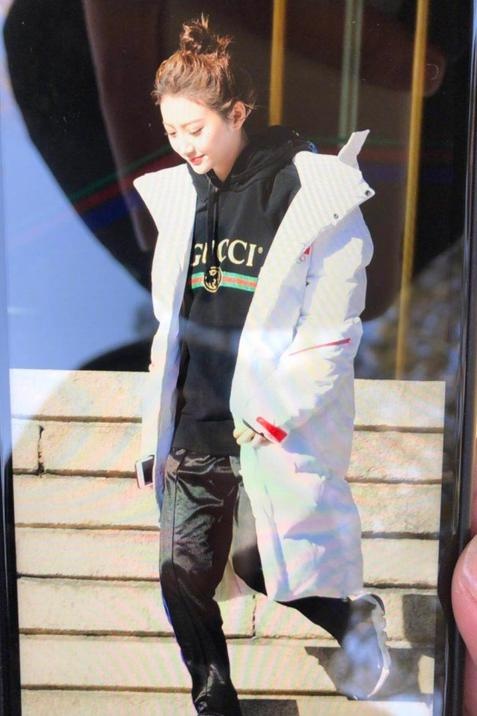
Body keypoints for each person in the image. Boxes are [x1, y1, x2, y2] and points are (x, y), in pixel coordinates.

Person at [134, 16, 389, 716]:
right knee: (181, 571)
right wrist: (151, 429)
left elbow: (332, 330)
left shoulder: (313, 193)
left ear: (238, 112)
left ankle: (354, 620)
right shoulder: (180, 198)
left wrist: (279, 410)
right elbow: (169, 327)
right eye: (172, 131)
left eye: (195, 129)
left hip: (269, 422)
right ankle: (213, 694)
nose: (184, 145)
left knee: (264, 564)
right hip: (193, 420)